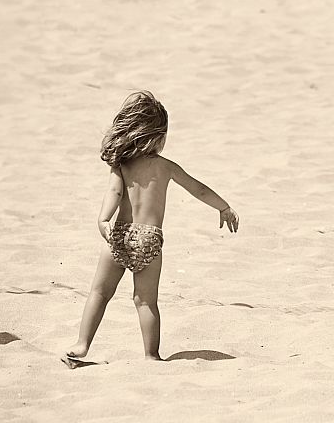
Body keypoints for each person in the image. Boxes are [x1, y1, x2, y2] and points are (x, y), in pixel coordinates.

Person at [62, 91, 239, 366]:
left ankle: (82, 344)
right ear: (157, 135)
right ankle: (151, 355)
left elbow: (114, 193)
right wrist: (223, 207)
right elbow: (198, 189)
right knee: (145, 301)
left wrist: (103, 220)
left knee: (99, 292)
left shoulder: (121, 165)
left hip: (119, 232)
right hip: (149, 239)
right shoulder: (166, 167)